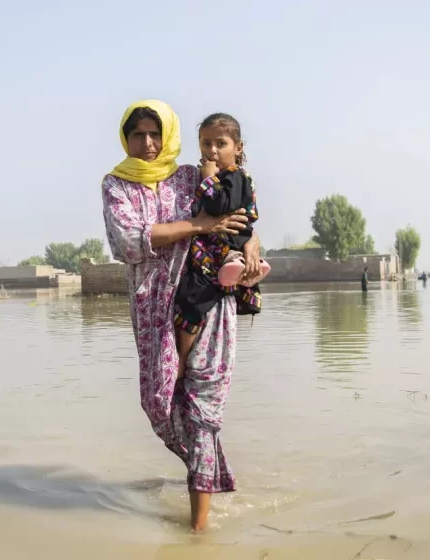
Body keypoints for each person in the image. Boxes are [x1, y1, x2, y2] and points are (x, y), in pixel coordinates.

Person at [100, 100, 263, 532]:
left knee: (201, 410)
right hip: (153, 305)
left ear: (167, 136)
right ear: (126, 138)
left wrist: (250, 244)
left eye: (156, 133)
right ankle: (209, 471)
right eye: (138, 134)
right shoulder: (116, 185)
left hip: (206, 294)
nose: (148, 143)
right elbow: (128, 242)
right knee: (158, 402)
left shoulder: (191, 175)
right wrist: (200, 226)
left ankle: (199, 527)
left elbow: (237, 209)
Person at [173, 113, 271, 381]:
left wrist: (208, 177)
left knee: (192, 300)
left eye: (220, 143)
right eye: (205, 144)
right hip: (219, 250)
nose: (212, 151)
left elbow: (217, 207)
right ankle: (235, 266)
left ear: (238, 148)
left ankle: (181, 358)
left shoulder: (233, 177)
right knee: (192, 300)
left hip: (218, 250)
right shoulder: (220, 176)